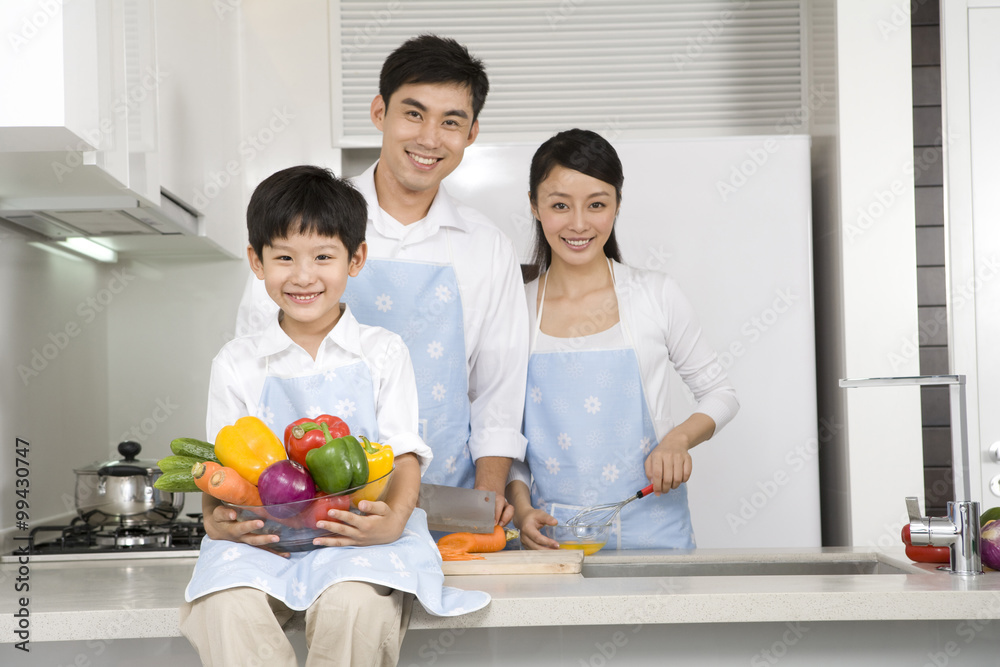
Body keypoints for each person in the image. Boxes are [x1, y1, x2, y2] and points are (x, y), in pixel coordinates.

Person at [179, 166, 489, 667]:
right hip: (265, 541)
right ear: (257, 262)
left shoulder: (383, 352)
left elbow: (404, 453)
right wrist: (216, 523)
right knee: (226, 608)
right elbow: (221, 472)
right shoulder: (236, 362)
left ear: (356, 258)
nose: (303, 276)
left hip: (356, 535)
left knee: (354, 606)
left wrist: (393, 523)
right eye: (284, 258)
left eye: (323, 256)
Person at [237, 34, 529, 526]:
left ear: (472, 132)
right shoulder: (309, 222)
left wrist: (483, 504)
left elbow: (499, 390)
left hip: (447, 500)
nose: (430, 138)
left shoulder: (487, 245)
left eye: (451, 121)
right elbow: (253, 363)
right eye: (413, 113)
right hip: (312, 509)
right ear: (379, 112)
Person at [506, 129, 740, 550]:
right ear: (534, 207)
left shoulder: (656, 294)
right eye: (560, 205)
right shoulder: (514, 310)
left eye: (597, 205)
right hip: (554, 536)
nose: (579, 224)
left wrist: (678, 439)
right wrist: (522, 511)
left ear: (616, 205)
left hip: (655, 531)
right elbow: (507, 438)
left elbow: (721, 394)